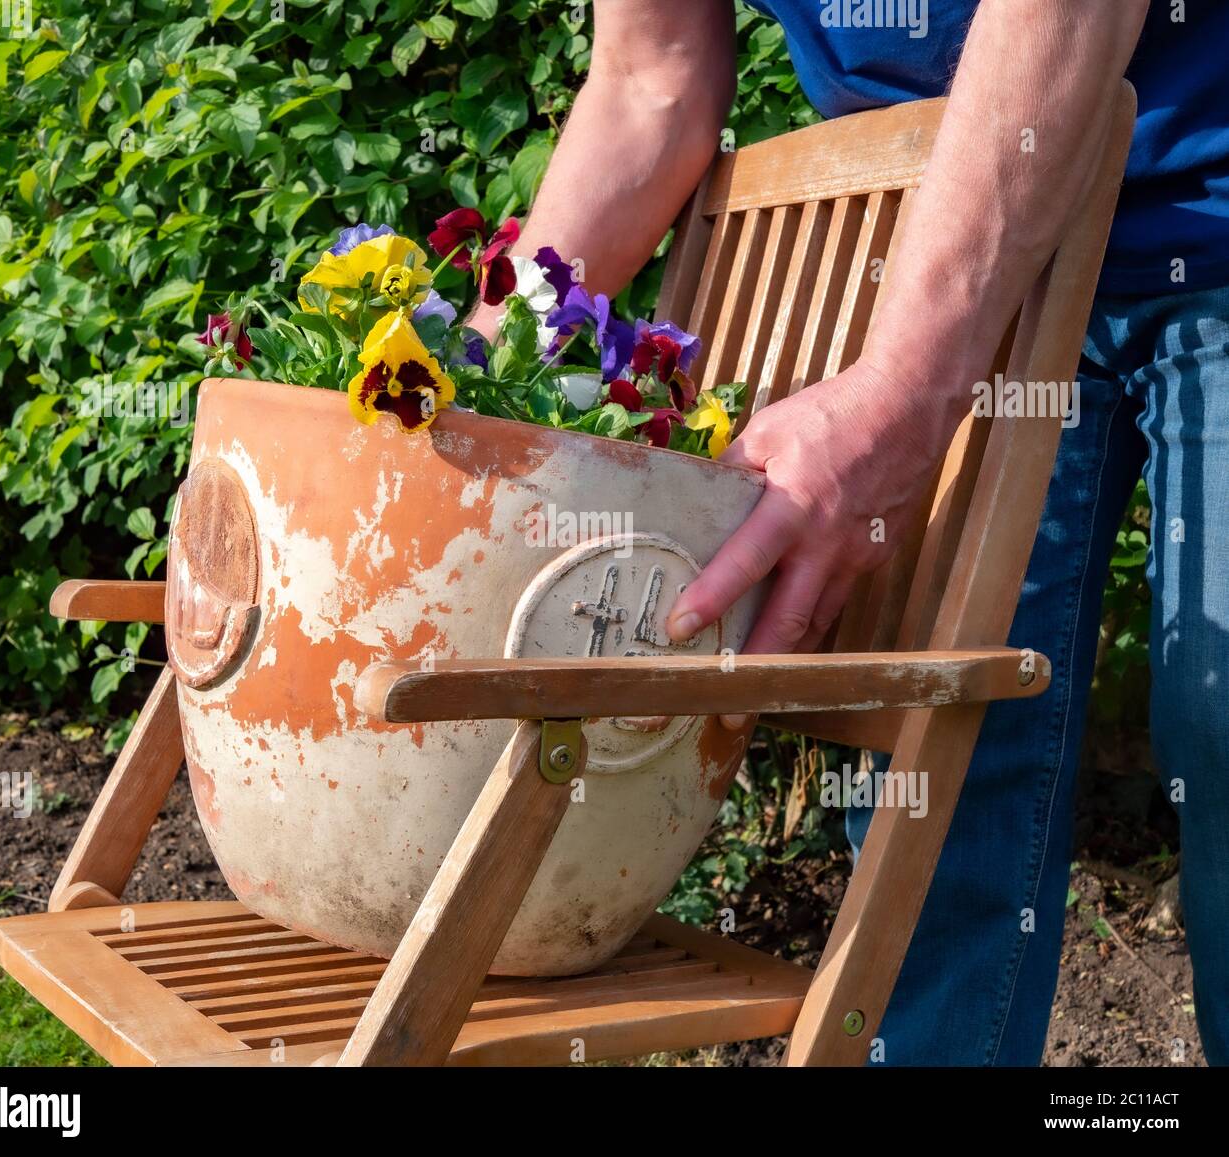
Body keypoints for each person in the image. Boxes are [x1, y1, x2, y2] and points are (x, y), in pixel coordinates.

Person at [470, 0, 1229, 1066]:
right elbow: (650, 75)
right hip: (948, 233)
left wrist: (903, 390)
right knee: (939, 741)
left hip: (1206, 198)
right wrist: (477, 378)